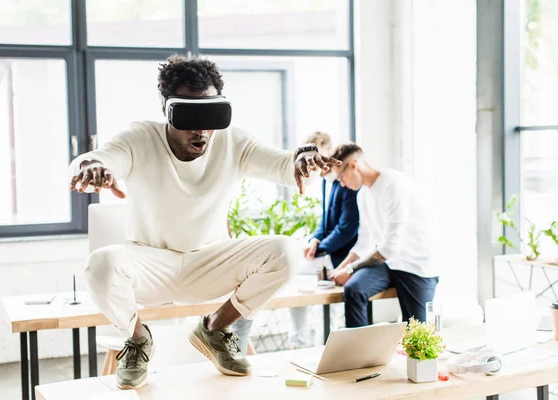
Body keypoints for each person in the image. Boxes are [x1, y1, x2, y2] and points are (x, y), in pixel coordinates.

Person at [69, 55, 340, 390]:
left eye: (209, 115)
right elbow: (101, 158)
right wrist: (91, 166)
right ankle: (138, 340)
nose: (200, 130)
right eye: (189, 117)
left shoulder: (231, 142)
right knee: (101, 264)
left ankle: (214, 328)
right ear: (166, 110)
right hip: (151, 266)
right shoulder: (140, 138)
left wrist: (302, 158)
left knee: (285, 250)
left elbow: (283, 163)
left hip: (209, 263)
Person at [328, 143, 439, 328]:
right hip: (389, 264)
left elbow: (389, 248)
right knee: (354, 290)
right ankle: (362, 352)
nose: (342, 183)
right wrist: (339, 269)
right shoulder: (362, 195)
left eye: (340, 177)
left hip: (416, 265)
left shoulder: (393, 183)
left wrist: (349, 270)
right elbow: (364, 243)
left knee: (418, 337)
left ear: (353, 165)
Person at [289, 131, 359, 348]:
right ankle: (299, 340)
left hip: (343, 254)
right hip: (327, 251)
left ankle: (316, 342)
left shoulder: (346, 181)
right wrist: (315, 240)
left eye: (321, 155)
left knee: (297, 272)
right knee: (294, 275)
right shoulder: (324, 181)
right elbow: (325, 220)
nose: (317, 163)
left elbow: (347, 227)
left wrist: (320, 249)